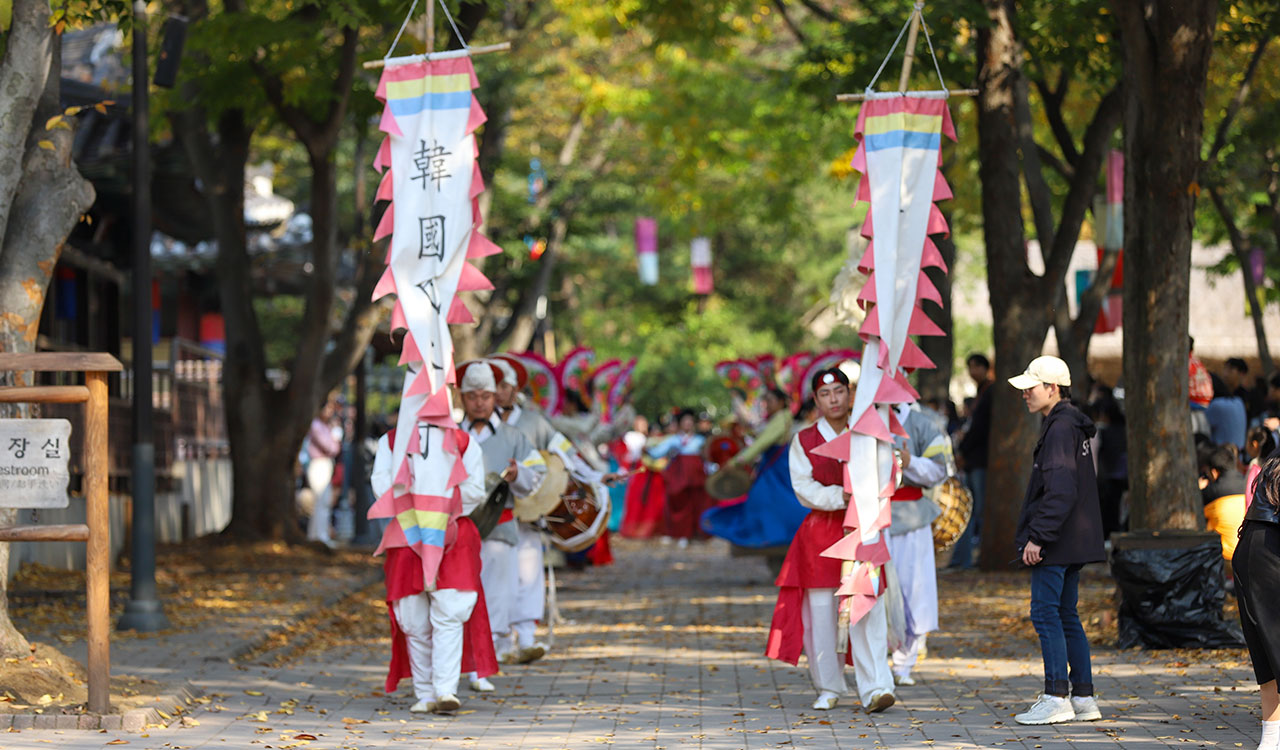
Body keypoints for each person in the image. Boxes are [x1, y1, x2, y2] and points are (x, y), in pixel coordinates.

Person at [766, 368, 895, 714]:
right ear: (816, 400)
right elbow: (803, 487)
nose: (834, 399)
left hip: (863, 529)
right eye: (826, 394)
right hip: (822, 533)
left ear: (850, 394)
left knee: (867, 609)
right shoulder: (804, 439)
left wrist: (872, 492)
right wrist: (843, 495)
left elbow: (888, 470)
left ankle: (877, 686)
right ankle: (828, 685)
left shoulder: (867, 432)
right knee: (821, 614)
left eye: (840, 391)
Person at [370, 411, 498, 715]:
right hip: (407, 533)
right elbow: (381, 485)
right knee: (413, 618)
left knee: (450, 610)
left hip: (451, 532)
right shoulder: (391, 442)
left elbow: (474, 490)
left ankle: (445, 690)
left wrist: (439, 505)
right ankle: (425, 692)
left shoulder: (464, 443)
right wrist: (413, 503)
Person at [1008, 355, 1104, 726]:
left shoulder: (1060, 428)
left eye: (1030, 388)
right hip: (1074, 537)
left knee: (1046, 613)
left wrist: (1038, 537)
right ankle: (1082, 697)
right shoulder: (1069, 425)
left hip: (1058, 539)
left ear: (1052, 388)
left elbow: (1059, 490)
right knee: (1066, 615)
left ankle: (1056, 695)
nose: (1025, 395)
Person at [456, 360, 547, 691]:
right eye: (472, 396)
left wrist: (518, 473)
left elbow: (539, 475)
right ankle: (459, 662)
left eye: (485, 395)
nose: (479, 402)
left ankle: (482, 661)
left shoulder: (514, 437)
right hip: (459, 530)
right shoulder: (451, 435)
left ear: (495, 397)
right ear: (462, 398)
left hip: (500, 528)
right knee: (458, 596)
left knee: (496, 596)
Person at [885, 403, 950, 686]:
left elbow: (941, 469)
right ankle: (876, 661)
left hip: (911, 516)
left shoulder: (924, 423)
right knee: (876, 589)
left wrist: (911, 462)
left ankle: (904, 663)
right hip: (874, 516)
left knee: (913, 588)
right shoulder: (864, 418)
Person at [702, 388, 809, 549]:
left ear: (781, 402)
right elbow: (757, 433)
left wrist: (736, 462)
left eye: (770, 401)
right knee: (771, 501)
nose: (767, 405)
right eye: (766, 401)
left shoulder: (782, 417)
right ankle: (778, 535)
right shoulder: (776, 418)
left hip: (776, 469)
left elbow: (761, 443)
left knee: (765, 499)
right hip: (771, 467)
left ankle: (782, 535)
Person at [1233, 453, 1280, 750]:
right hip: (1268, 553)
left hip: (1254, 548)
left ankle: (1271, 740)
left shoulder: (1274, 460)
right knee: (1272, 649)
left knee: (1269, 654)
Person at [951, 353, 992, 568]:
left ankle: (977, 556)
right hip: (973, 459)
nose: (972, 371)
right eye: (970, 367)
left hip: (980, 459)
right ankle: (964, 558)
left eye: (976, 366)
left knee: (979, 509)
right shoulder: (980, 393)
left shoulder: (989, 392)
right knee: (969, 508)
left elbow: (979, 429)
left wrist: (964, 451)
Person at [649, 409, 712, 547]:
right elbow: (657, 452)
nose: (688, 423)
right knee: (676, 501)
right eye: (685, 421)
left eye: (690, 421)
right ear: (680, 424)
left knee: (695, 503)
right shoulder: (673, 440)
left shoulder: (700, 440)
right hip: (678, 475)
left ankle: (691, 533)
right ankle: (677, 532)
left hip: (696, 475)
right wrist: (647, 449)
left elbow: (708, 458)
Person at [1197, 443, 1247, 566]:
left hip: (1224, 557)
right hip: (1246, 553)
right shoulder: (1247, 484)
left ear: (1214, 472)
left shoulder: (1211, 493)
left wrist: (1198, 491)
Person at [306, 400, 343, 547]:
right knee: (320, 502)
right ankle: (319, 536)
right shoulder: (316, 425)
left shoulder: (326, 426)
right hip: (318, 465)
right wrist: (334, 440)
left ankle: (318, 535)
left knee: (323, 502)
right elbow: (331, 447)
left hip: (325, 465)